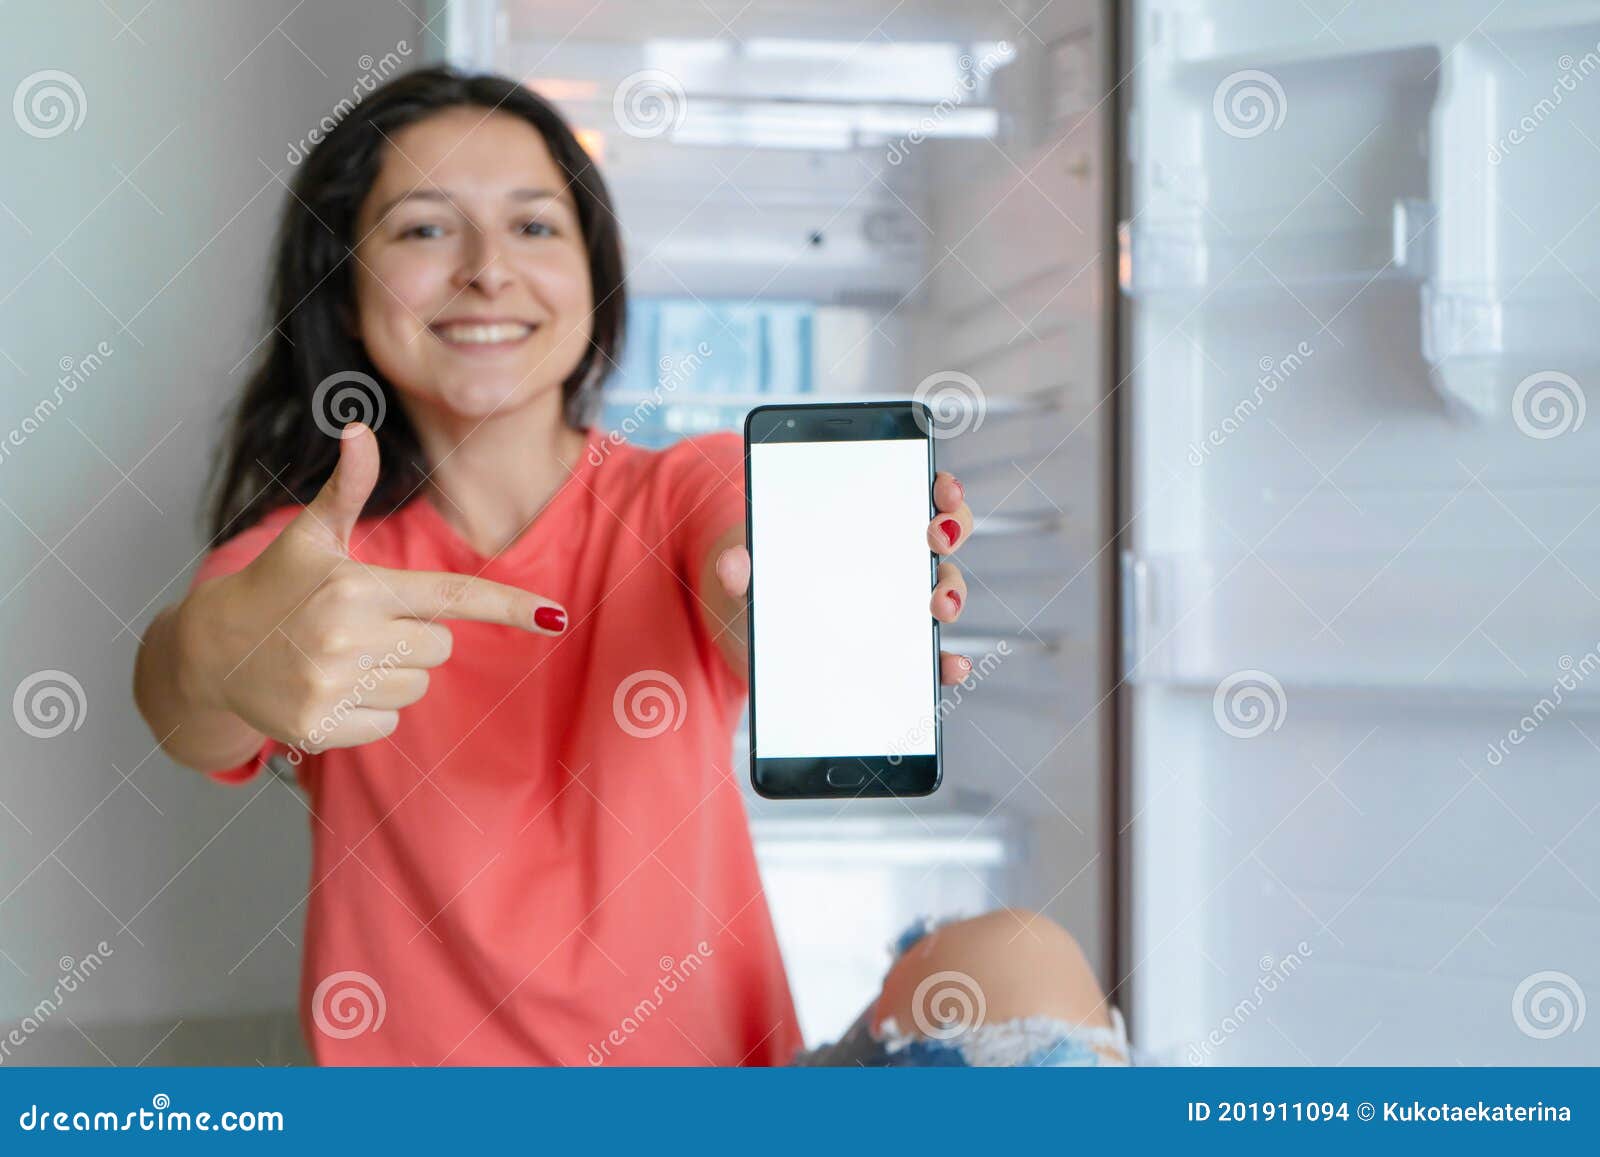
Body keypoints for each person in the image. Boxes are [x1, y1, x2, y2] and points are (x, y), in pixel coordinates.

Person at [131, 66, 1125, 1067]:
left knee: (1013, 959)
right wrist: (219, 653)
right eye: (424, 229)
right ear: (343, 293)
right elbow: (183, 696)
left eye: (533, 227)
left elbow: (734, 549)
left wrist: (780, 604)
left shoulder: (680, 487)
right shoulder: (314, 564)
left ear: (591, 274)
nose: (486, 269)